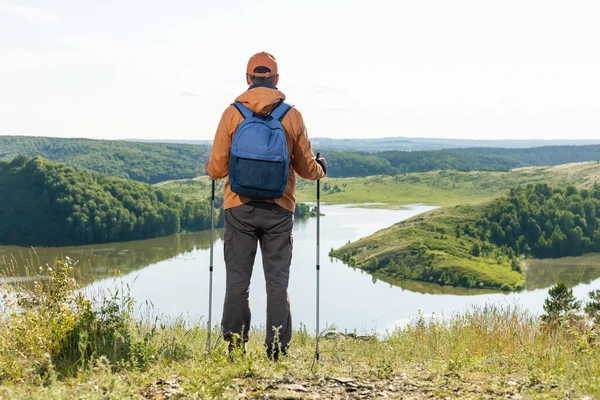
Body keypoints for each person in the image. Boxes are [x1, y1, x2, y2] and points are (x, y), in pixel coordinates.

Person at [206, 52, 327, 359]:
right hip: (279, 209)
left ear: (248, 79)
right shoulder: (291, 116)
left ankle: (234, 347)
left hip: (238, 208)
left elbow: (217, 169)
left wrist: (211, 168)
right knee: (277, 283)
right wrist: (321, 168)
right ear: (276, 79)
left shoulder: (232, 114)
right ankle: (276, 349)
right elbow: (305, 168)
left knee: (237, 282)